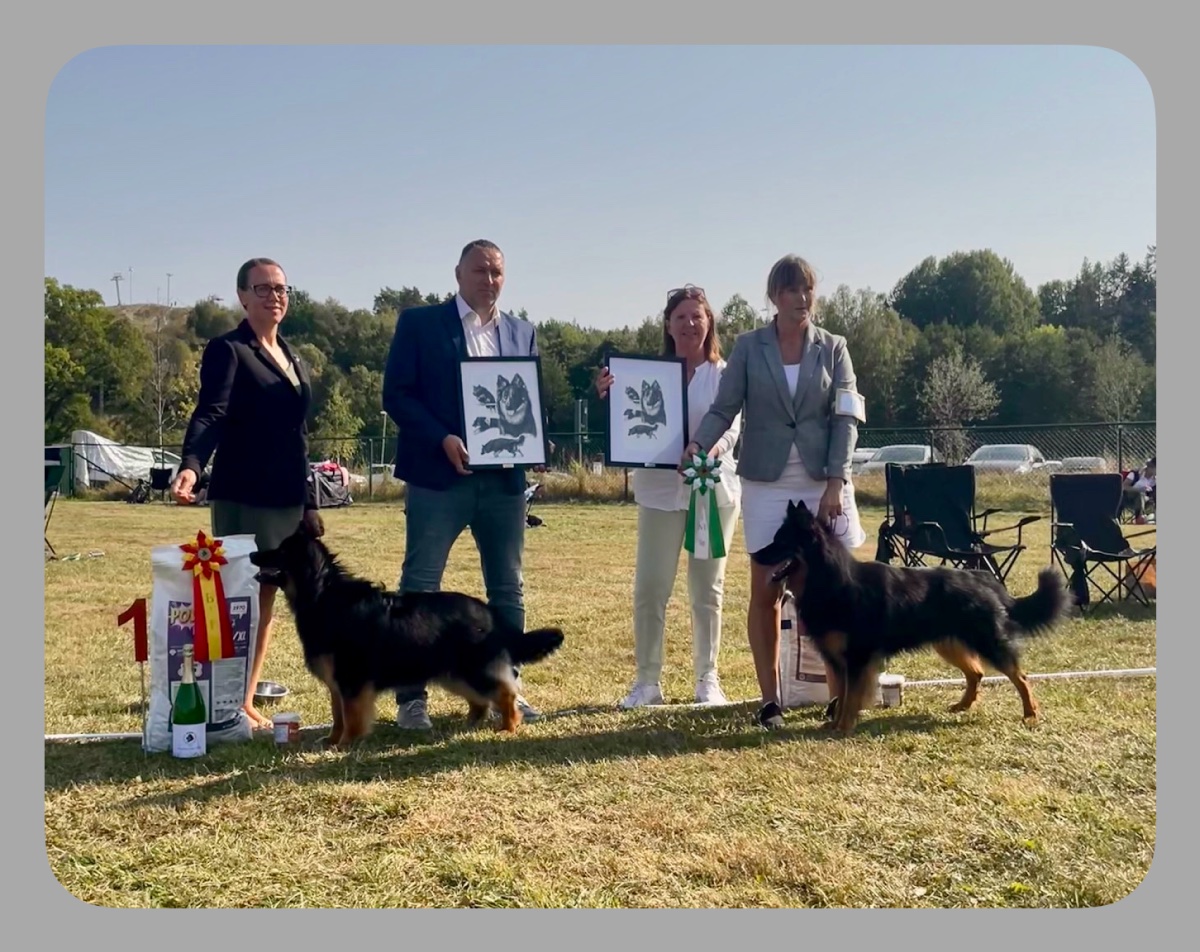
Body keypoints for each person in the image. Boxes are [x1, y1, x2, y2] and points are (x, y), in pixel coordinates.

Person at [683, 254, 866, 729]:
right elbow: (725, 408)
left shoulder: (834, 348)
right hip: (766, 482)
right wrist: (699, 443)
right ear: (774, 297)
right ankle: (770, 701)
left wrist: (835, 481)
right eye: (791, 290)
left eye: (807, 290)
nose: (801, 299)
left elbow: (847, 417)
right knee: (766, 589)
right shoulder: (748, 348)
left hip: (821, 480)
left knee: (833, 591)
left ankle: (838, 694)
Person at [382, 239, 543, 730]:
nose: (488, 280)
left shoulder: (522, 333)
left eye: (496, 272)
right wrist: (442, 438)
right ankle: (412, 699)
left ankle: (506, 689)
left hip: (504, 484)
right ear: (458, 274)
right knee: (421, 588)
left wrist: (534, 442)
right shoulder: (419, 324)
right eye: (479, 271)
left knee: (507, 589)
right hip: (438, 478)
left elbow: (531, 402)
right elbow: (397, 395)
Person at [171, 257, 324, 731]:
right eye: (263, 288)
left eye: (281, 288)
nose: (275, 296)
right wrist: (192, 466)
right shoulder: (229, 349)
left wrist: (310, 502)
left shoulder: (292, 354)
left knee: (269, 598)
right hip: (245, 494)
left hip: (287, 497)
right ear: (241, 296)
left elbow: (298, 435)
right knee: (242, 598)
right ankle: (230, 699)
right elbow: (210, 414)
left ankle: (244, 695)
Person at [595, 285, 742, 708]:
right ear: (667, 324)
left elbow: (731, 426)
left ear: (709, 322)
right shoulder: (642, 375)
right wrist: (608, 395)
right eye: (681, 317)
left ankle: (707, 680)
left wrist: (706, 451)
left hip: (711, 491)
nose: (690, 324)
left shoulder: (724, 373)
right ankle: (647, 683)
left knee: (707, 590)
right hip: (659, 493)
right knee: (650, 588)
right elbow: (626, 424)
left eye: (697, 316)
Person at [1122, 456, 1156, 524]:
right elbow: (1124, 486)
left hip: (1146, 500)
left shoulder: (1155, 479)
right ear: (1151, 468)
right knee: (1140, 494)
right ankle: (1139, 517)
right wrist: (1137, 490)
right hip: (1129, 497)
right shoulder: (1135, 474)